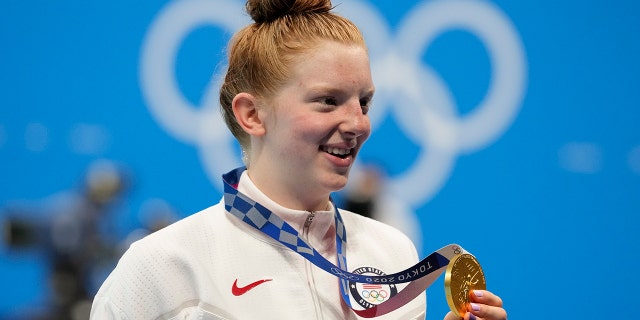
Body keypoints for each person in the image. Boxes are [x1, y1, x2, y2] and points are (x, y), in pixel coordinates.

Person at [90, 0, 507, 319]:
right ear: (252, 114)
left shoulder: (391, 254)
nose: (357, 124)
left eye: (364, 102)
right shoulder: (162, 268)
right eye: (328, 101)